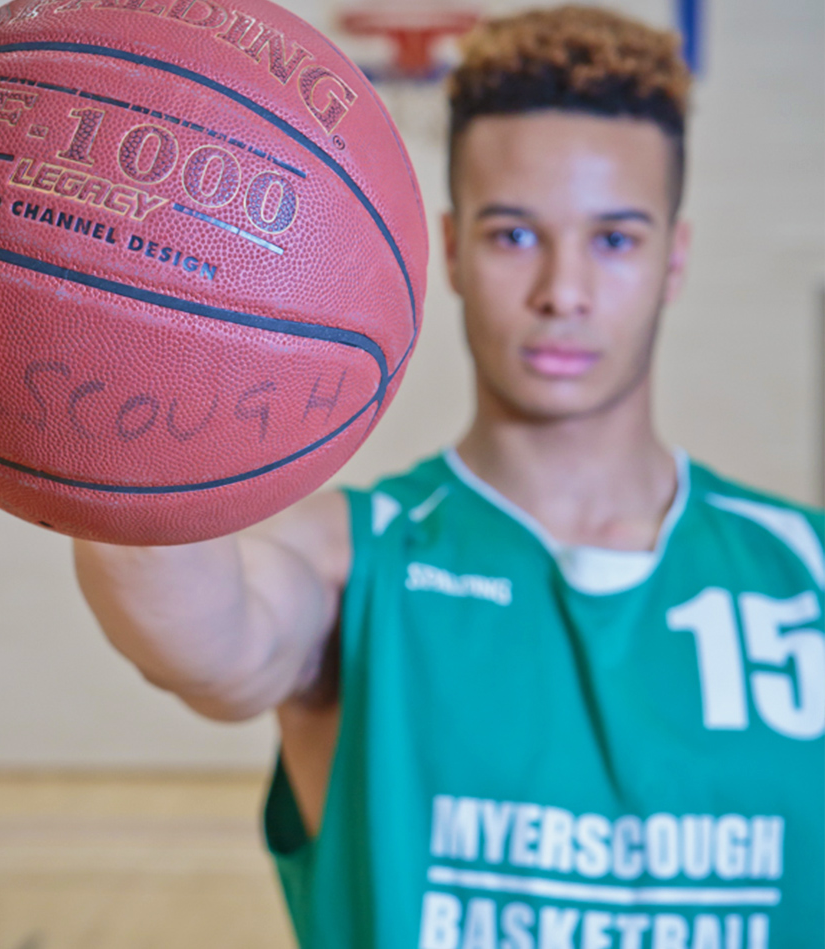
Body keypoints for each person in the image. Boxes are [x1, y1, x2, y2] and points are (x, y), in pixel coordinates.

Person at [73, 7, 825, 947]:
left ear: (675, 258)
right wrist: (103, 356)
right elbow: (206, 643)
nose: (564, 289)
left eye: (616, 239)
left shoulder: (808, 571)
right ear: (454, 247)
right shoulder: (358, 553)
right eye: (515, 235)